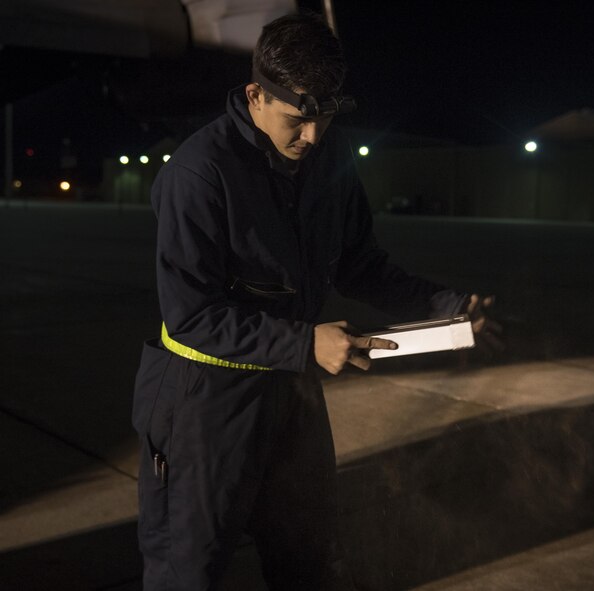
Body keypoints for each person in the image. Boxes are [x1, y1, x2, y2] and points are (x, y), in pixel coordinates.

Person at [131, 12, 497, 591]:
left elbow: (360, 264)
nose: (313, 136)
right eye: (299, 120)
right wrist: (305, 341)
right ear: (256, 94)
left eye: (325, 117)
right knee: (189, 572)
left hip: (291, 395)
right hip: (205, 403)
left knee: (309, 560)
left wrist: (449, 307)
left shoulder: (328, 157)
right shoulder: (199, 174)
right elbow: (193, 314)